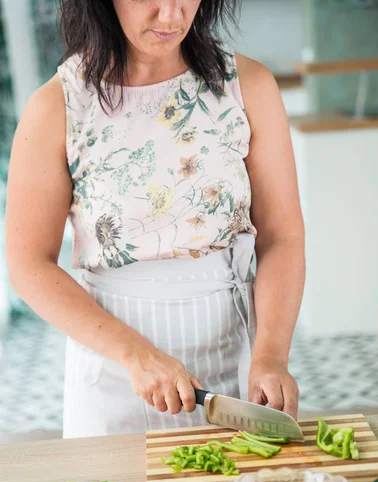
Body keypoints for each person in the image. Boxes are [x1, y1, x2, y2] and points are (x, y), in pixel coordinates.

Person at [5, 0, 305, 438]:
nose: (171, 16)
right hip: (115, 372)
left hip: (235, 361)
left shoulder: (248, 86)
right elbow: (28, 264)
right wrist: (133, 354)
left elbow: (282, 235)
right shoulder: (58, 106)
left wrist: (271, 356)